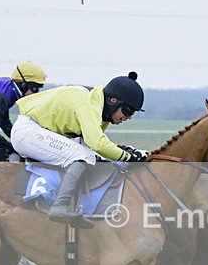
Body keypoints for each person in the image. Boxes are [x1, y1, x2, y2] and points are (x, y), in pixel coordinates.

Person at [11, 71, 149, 228]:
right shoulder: (88, 103)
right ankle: (60, 206)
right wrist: (127, 157)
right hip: (28, 131)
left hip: (38, 130)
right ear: (113, 100)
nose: (128, 118)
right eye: (128, 111)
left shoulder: (98, 107)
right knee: (84, 157)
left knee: (88, 155)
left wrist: (124, 150)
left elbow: (95, 145)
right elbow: (97, 144)